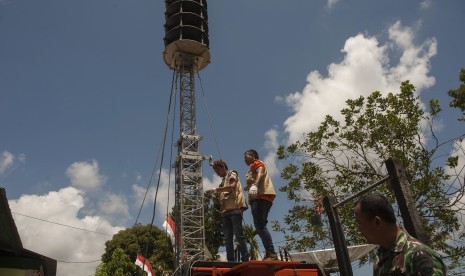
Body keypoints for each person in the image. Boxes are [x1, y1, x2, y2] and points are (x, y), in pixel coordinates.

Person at [354, 194, 446, 276]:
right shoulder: (380, 258)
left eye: (360, 223)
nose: (359, 230)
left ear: (377, 222)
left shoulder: (418, 255)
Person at [205, 159, 249, 262]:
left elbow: (231, 187)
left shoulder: (232, 174)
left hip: (235, 209)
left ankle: (245, 258)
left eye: (218, 170)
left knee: (239, 235)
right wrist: (211, 197)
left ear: (223, 167)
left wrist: (215, 190)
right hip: (225, 212)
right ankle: (230, 260)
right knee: (228, 238)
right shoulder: (222, 183)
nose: (217, 173)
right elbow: (221, 202)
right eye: (215, 171)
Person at [243, 149, 278, 261]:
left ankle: (271, 253)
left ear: (253, 156)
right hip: (260, 198)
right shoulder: (251, 169)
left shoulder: (257, 163)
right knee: (260, 226)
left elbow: (260, 172)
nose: (245, 158)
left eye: (246, 156)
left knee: (261, 226)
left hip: (260, 197)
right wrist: (249, 186)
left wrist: (255, 185)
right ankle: (269, 253)